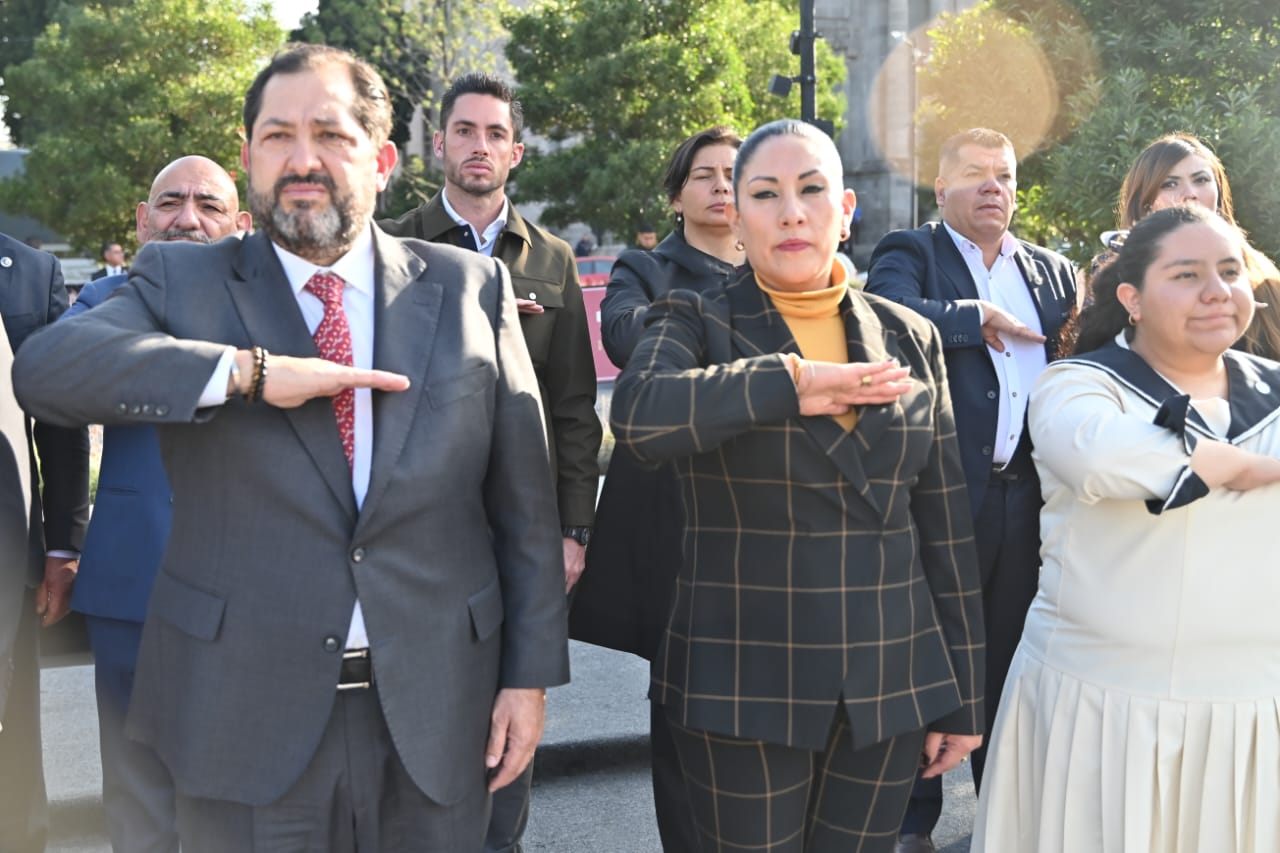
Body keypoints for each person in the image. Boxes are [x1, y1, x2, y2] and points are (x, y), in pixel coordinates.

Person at [12, 44, 569, 851]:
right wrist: (245, 373)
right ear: (248, 159)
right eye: (277, 136)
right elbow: (47, 370)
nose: (302, 159)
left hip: (440, 707)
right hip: (243, 718)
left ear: (381, 161)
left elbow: (525, 505)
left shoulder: (467, 289)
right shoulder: (182, 281)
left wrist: (528, 678)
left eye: (330, 134)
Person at [610, 119, 985, 853]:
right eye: (765, 194)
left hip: (886, 686)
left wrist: (963, 696)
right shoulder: (694, 317)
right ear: (738, 216)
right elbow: (640, 415)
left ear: (845, 212)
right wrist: (791, 381)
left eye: (811, 191)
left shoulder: (910, 336)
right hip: (743, 686)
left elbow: (943, 531)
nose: (791, 213)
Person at [973, 203, 1280, 852]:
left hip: (1248, 712)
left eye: (1230, 271)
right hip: (1096, 709)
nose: (1216, 290)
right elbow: (1099, 457)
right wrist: (1233, 464)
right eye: (1187, 274)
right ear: (1131, 298)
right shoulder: (1074, 384)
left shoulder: (1273, 390)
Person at [381, 70, 600, 853]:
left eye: (495, 134)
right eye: (465, 131)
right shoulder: (390, 244)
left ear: (516, 152)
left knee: (513, 709)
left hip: (523, 524)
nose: (480, 146)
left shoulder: (553, 258)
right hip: (421, 521)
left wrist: (573, 528)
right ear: (437, 143)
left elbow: (575, 408)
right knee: (414, 708)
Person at [865, 127, 1078, 853]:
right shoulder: (913, 251)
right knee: (927, 655)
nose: (994, 185)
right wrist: (973, 316)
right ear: (941, 187)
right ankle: (910, 822)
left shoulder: (1052, 271)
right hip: (941, 494)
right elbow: (884, 318)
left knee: (1012, 660)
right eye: (976, 172)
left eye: (1005, 174)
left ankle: (1004, 817)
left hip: (1029, 498)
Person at [64, 155, 251, 853]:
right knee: (138, 797)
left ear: (241, 223)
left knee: (240, 794)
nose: (187, 218)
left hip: (253, 587)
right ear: (143, 221)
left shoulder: (274, 304)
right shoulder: (102, 300)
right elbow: (70, 376)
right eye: (170, 202)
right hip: (132, 583)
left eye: (209, 204)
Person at [571, 125, 743, 853]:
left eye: (735, 173)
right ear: (677, 196)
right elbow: (622, 337)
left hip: (762, 517)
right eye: (705, 175)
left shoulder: (781, 264)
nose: (722, 186)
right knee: (680, 705)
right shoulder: (646, 268)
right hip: (672, 517)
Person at [0, 233, 91, 853]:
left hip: (8, 554)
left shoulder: (30, 272)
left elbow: (61, 421)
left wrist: (63, 547)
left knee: (10, 732)